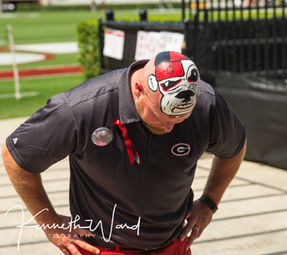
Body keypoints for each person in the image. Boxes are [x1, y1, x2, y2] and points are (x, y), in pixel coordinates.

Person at [2, 51, 246, 255]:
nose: (171, 127)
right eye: (162, 117)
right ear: (139, 90)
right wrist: (50, 224)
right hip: (102, 248)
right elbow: (15, 156)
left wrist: (210, 202)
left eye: (181, 119)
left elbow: (234, 147)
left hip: (173, 245)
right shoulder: (80, 109)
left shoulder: (208, 103)